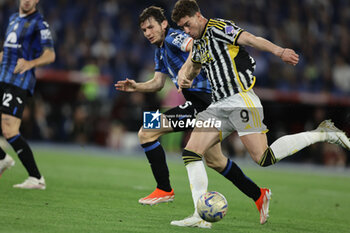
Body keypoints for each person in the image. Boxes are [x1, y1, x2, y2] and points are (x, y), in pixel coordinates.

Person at [115, 6, 271, 228]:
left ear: (164, 24)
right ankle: (258, 194)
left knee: (147, 131)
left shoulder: (173, 37)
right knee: (215, 161)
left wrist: (188, 71)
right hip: (200, 104)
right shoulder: (160, 49)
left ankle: (165, 189)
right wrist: (137, 86)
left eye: (151, 27)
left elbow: (193, 46)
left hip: (206, 102)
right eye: (143, 29)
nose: (147, 32)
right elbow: (158, 83)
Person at [171, 0, 350, 179]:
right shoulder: (198, 44)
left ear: (198, 16)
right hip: (217, 105)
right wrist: (186, 78)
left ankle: (322, 133)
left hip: (240, 99)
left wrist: (279, 51)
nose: (186, 30)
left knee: (262, 157)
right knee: (191, 152)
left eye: (187, 24)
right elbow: (194, 66)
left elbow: (250, 38)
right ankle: (199, 207)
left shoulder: (219, 27)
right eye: (182, 27)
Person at [0, 0, 55, 189]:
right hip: (2, 77)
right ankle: (3, 159)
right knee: (8, 130)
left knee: (9, 130)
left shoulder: (40, 23)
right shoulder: (13, 18)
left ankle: (36, 178)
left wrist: (30, 64)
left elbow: (50, 55)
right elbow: (7, 52)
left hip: (19, 82)